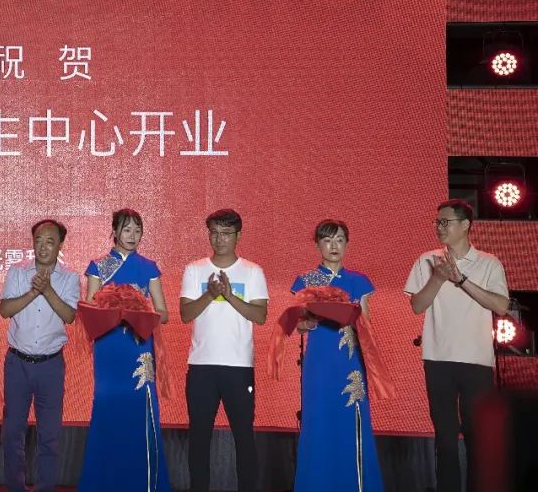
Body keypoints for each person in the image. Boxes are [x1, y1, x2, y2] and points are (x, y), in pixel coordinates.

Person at [405, 200, 509, 492]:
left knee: (478, 437)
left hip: (477, 361)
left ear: (465, 225)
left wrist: (461, 279)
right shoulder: (427, 260)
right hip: (437, 359)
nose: (439, 227)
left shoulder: (488, 262)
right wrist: (438, 278)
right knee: (445, 437)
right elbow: (417, 306)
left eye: (445, 222)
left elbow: (500, 306)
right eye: (437, 222)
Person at [78, 209, 170, 492]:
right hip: (109, 348)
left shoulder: (149, 267)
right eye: (127, 229)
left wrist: (139, 310)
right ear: (115, 231)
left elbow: (163, 313)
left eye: (137, 230)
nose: (132, 236)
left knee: (139, 413)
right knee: (108, 411)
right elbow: (89, 308)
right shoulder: (99, 266)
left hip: (139, 347)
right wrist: (114, 309)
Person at [290, 220, 384, 492]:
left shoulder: (358, 281)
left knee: (351, 423)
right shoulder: (306, 280)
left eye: (340, 239)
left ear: (347, 244)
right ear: (317, 244)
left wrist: (351, 317)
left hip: (350, 364)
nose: (334, 246)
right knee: (318, 423)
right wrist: (309, 322)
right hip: (319, 364)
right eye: (327, 240)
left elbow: (366, 324)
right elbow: (297, 325)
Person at [179, 208, 268, 492]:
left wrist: (229, 295)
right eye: (214, 233)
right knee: (199, 437)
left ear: (238, 236)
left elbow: (260, 316)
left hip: (239, 367)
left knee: (244, 436)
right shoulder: (194, 269)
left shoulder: (252, 271)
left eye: (226, 233)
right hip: (201, 366)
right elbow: (185, 314)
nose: (219, 239)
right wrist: (210, 293)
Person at [0, 219, 79, 492]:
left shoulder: (70, 278)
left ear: (60, 245)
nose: (43, 247)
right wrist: (34, 292)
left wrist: (48, 290)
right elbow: (5, 310)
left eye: (50, 241)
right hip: (17, 363)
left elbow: (69, 315)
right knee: (12, 433)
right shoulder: (17, 272)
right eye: (38, 241)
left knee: (50, 436)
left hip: (50, 365)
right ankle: (16, 487)